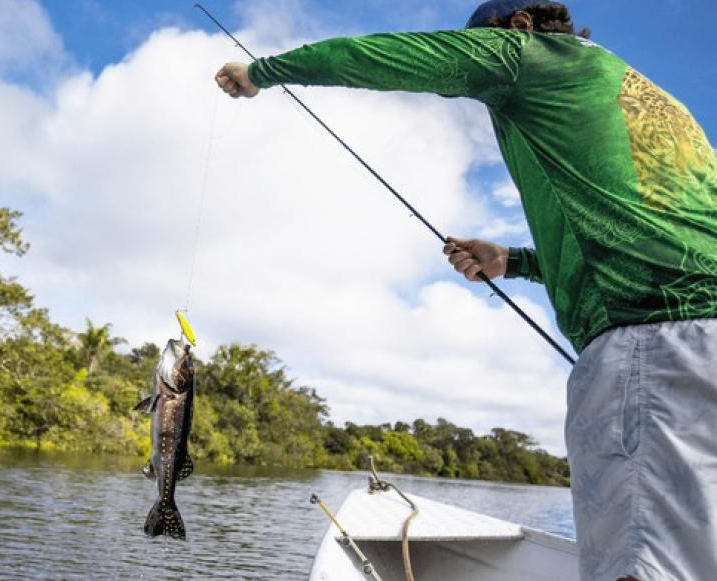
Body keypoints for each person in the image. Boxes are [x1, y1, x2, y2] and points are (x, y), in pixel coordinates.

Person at [215, 1, 717, 580]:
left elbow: (385, 57)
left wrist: (261, 72)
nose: (477, 62)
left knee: (641, 564)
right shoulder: (641, 93)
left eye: (480, 45)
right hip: (691, 343)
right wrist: (516, 262)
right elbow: (639, 231)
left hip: (652, 350)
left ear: (522, 26)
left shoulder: (526, 56)